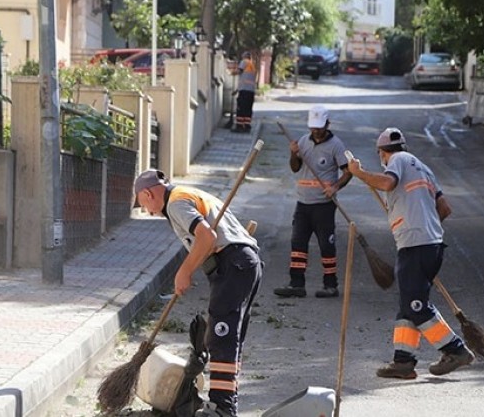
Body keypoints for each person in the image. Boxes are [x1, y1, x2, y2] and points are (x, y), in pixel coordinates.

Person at [346, 127, 474, 379]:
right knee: (408, 305)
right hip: (429, 243)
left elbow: (386, 182)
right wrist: (427, 225)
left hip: (416, 245)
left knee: (416, 306)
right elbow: (444, 208)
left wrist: (358, 173)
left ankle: (456, 350)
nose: (383, 161)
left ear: (382, 153)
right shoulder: (424, 168)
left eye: (381, 156)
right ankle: (403, 361)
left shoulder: (397, 161)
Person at [134, 169, 263, 417]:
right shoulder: (187, 195)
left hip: (233, 265)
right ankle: (226, 405)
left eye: (144, 205)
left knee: (221, 337)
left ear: (148, 194)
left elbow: (207, 237)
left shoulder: (175, 203)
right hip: (245, 264)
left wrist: (184, 272)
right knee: (229, 339)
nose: (149, 212)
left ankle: (222, 409)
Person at [274, 105, 352, 299]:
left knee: (327, 245)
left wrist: (335, 187)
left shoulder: (336, 145)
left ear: (327, 124)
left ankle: (330, 285)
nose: (315, 130)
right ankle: (296, 284)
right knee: (298, 243)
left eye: (319, 127)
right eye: (313, 127)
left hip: (324, 205)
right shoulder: (302, 142)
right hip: (303, 203)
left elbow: (348, 171)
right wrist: (293, 153)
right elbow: (294, 168)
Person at [231, 51, 257, 133]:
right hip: (251, 91)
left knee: (241, 108)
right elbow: (246, 79)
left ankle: (239, 126)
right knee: (248, 109)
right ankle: (246, 126)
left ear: (245, 56)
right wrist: (236, 90)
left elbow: (239, 71)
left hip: (244, 91)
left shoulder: (245, 62)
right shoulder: (252, 65)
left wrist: (232, 72)